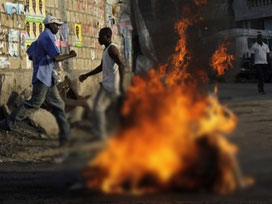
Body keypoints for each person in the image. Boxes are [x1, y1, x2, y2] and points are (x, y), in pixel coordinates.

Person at [0, 16, 77, 146]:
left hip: (48, 78)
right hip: (42, 78)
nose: (58, 27)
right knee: (34, 103)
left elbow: (30, 52)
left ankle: (66, 135)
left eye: (59, 25)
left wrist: (39, 58)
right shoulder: (46, 37)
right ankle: (7, 124)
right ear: (50, 24)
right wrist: (71, 55)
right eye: (56, 25)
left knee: (58, 105)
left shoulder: (45, 37)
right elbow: (56, 58)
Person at [79, 27, 124, 139]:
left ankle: (102, 135)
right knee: (102, 109)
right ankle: (106, 133)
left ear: (107, 37)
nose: (98, 38)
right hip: (106, 85)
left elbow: (122, 65)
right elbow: (101, 67)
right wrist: (87, 75)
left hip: (112, 86)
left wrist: (121, 85)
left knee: (99, 108)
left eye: (100, 36)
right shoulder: (106, 49)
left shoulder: (112, 49)